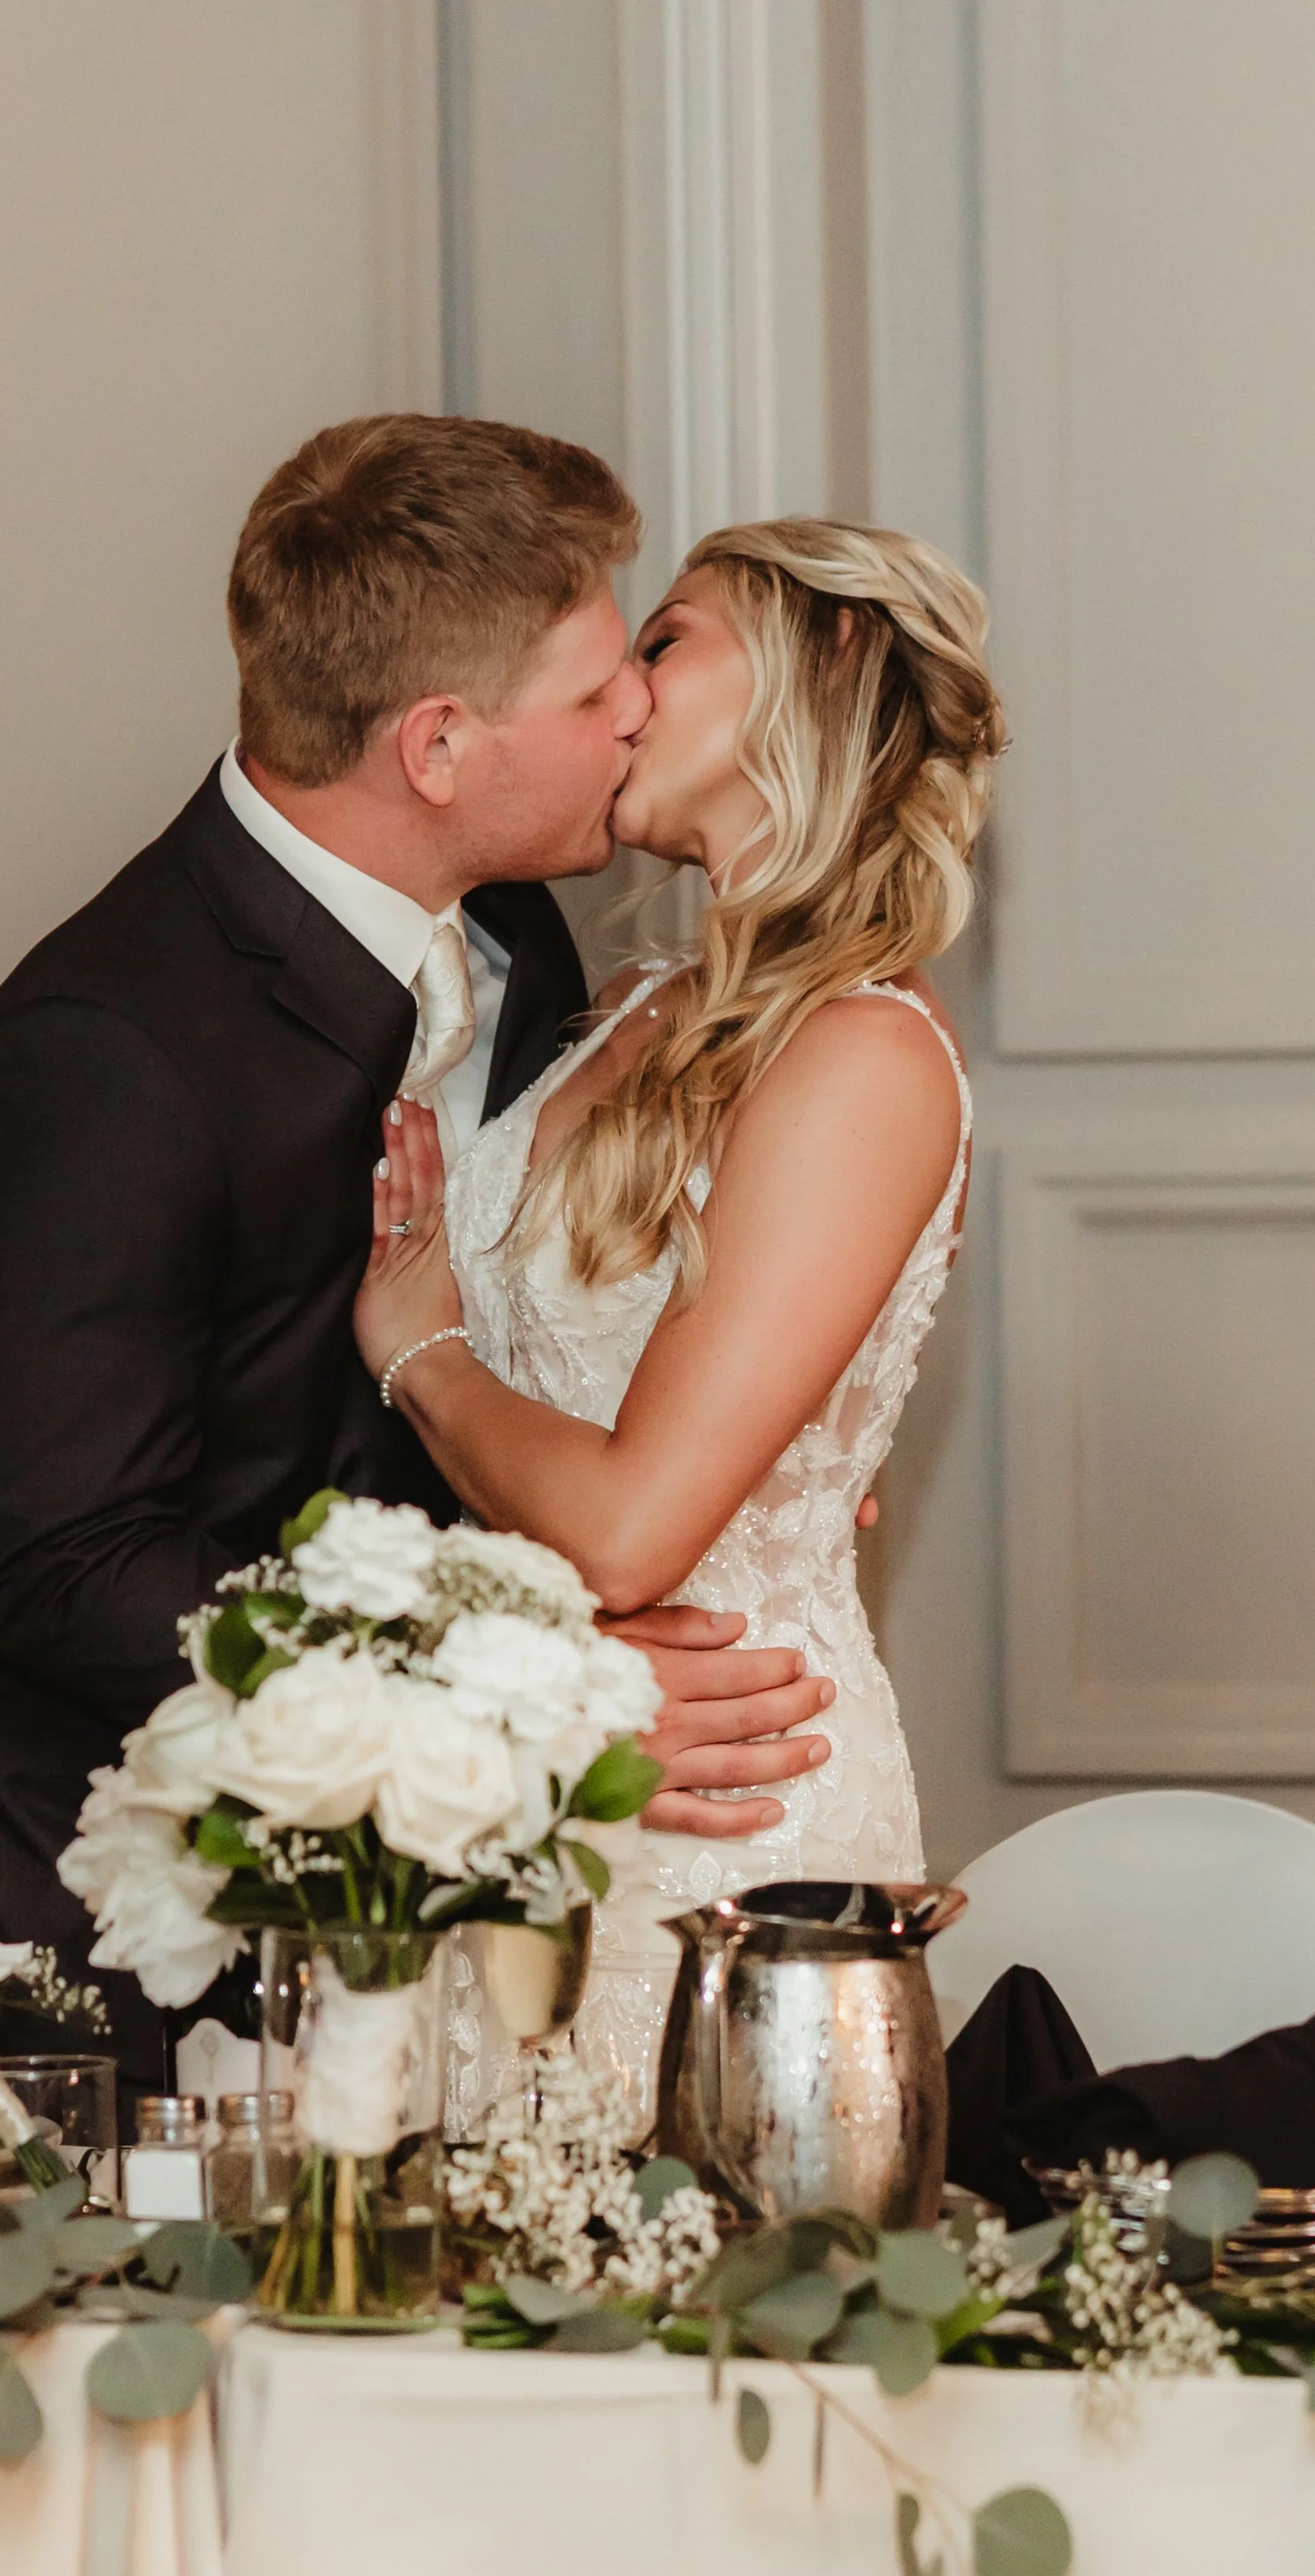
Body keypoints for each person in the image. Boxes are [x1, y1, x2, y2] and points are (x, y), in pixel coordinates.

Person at [0, 419, 842, 2117]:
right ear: (437, 745)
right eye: (596, 694)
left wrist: (757, 1433)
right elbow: (65, 1563)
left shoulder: (513, 924)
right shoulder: (101, 1048)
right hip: (93, 1929)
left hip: (419, 1908)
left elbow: (520, 1288)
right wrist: (527, 1707)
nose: (642, 711)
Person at [354, 516, 1003, 2067]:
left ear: (823, 658)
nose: (621, 697)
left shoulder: (859, 1056)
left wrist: (417, 1350)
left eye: (663, 642)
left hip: (729, 1827)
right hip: (532, 1786)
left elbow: (634, 1530)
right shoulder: (623, 1009)